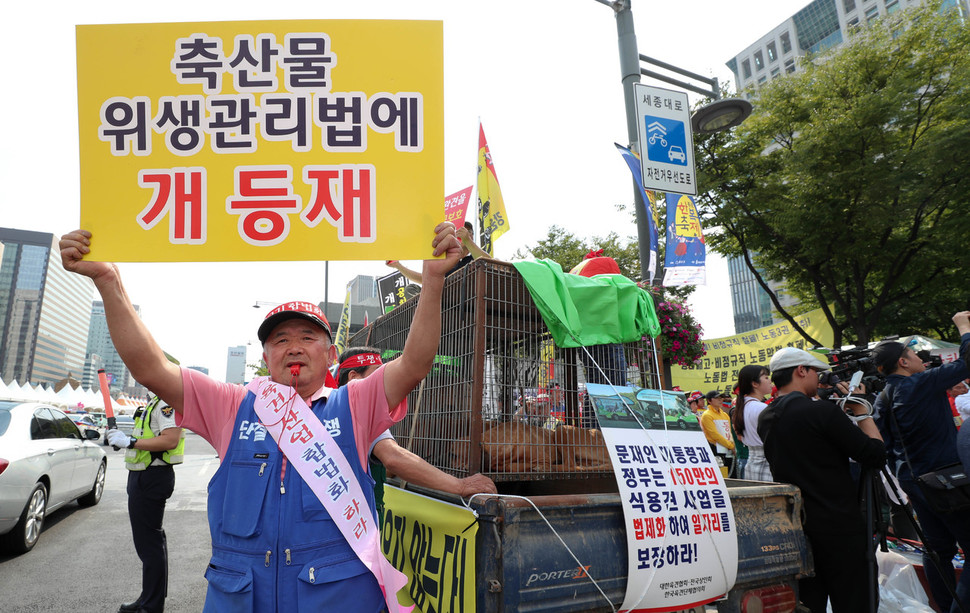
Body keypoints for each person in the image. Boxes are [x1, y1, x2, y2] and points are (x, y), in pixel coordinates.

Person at [60, 222, 461, 613]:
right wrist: (108, 281)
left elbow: (414, 364)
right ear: (265, 358)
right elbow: (151, 369)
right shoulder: (233, 405)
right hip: (240, 595)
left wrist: (434, 282)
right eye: (280, 340)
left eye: (308, 338)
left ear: (331, 355)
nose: (294, 348)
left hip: (339, 597)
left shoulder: (353, 404)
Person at [757, 347, 885, 613]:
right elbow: (875, 454)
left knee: (809, 602)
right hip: (839, 526)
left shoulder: (766, 417)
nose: (819, 379)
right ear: (800, 371)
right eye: (815, 371)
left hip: (797, 527)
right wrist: (862, 412)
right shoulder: (822, 413)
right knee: (855, 601)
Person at [872, 312, 970, 613]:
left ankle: (943, 605)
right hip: (946, 480)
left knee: (937, 548)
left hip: (913, 481)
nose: (920, 359)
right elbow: (967, 363)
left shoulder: (883, 398)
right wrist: (963, 327)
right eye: (913, 354)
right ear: (903, 362)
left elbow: (881, 445)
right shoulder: (921, 384)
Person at [335, 346, 497, 502]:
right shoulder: (359, 412)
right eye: (377, 374)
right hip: (353, 517)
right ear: (354, 378)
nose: (383, 381)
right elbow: (394, 458)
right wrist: (460, 485)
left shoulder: (328, 404)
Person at [106, 396, 185, 613]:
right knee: (152, 542)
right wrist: (123, 439)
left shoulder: (166, 403)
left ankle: (151, 605)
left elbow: (170, 440)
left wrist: (130, 442)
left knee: (149, 545)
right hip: (145, 474)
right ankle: (149, 598)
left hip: (152, 476)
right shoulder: (154, 402)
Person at [386, 221, 484, 283]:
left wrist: (468, 241)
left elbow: (491, 264)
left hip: (467, 302)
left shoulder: (475, 259)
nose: (464, 233)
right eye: (460, 230)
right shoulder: (446, 261)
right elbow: (425, 279)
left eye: (469, 231)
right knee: (411, 289)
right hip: (445, 304)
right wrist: (398, 266)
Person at [732, 365, 774, 482]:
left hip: (751, 463)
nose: (770, 381)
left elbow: (740, 437)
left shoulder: (741, 407)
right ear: (754, 384)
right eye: (766, 377)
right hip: (767, 464)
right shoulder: (762, 408)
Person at [700, 390, 735, 476]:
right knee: (721, 475)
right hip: (715, 449)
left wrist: (731, 444)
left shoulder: (725, 415)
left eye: (721, 398)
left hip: (727, 449)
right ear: (709, 401)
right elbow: (714, 435)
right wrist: (730, 446)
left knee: (730, 474)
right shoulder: (707, 415)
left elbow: (729, 431)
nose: (720, 400)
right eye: (717, 398)